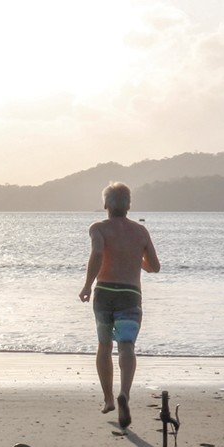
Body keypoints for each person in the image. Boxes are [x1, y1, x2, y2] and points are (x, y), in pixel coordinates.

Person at [79, 182, 161, 431]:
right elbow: (154, 266)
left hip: (105, 293)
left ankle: (108, 399)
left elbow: (97, 254)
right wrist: (137, 260)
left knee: (104, 346)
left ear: (106, 204)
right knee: (126, 346)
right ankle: (124, 392)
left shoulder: (98, 228)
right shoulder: (140, 232)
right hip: (130, 294)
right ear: (128, 205)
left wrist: (87, 285)